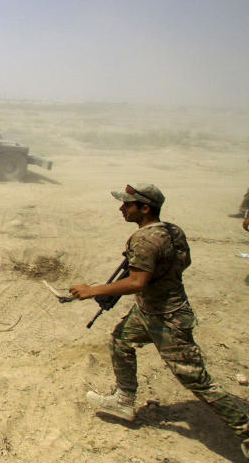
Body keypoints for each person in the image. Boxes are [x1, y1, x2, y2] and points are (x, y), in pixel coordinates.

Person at [69, 183, 248, 459]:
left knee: (196, 379)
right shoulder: (172, 231)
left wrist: (92, 290)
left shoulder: (144, 240)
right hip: (150, 311)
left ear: (144, 207)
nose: (121, 208)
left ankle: (244, 429)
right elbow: (182, 263)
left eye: (126, 205)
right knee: (120, 341)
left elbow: (138, 281)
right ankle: (123, 400)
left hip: (167, 319)